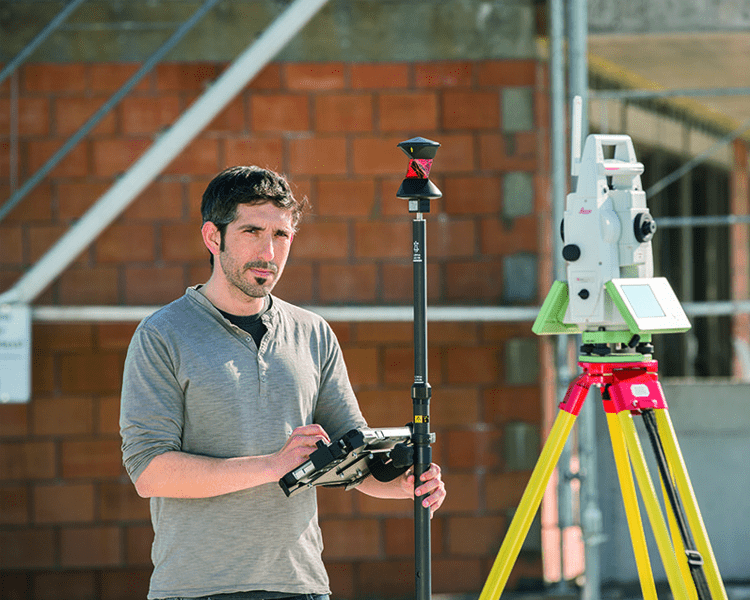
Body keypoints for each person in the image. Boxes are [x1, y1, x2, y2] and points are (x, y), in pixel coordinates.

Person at [120, 165, 446, 600]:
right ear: (212, 238)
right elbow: (151, 473)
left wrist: (399, 484)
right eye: (252, 231)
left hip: (300, 585)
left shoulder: (312, 333)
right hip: (196, 588)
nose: (269, 253)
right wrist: (273, 465)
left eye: (281, 236)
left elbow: (348, 459)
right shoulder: (163, 334)